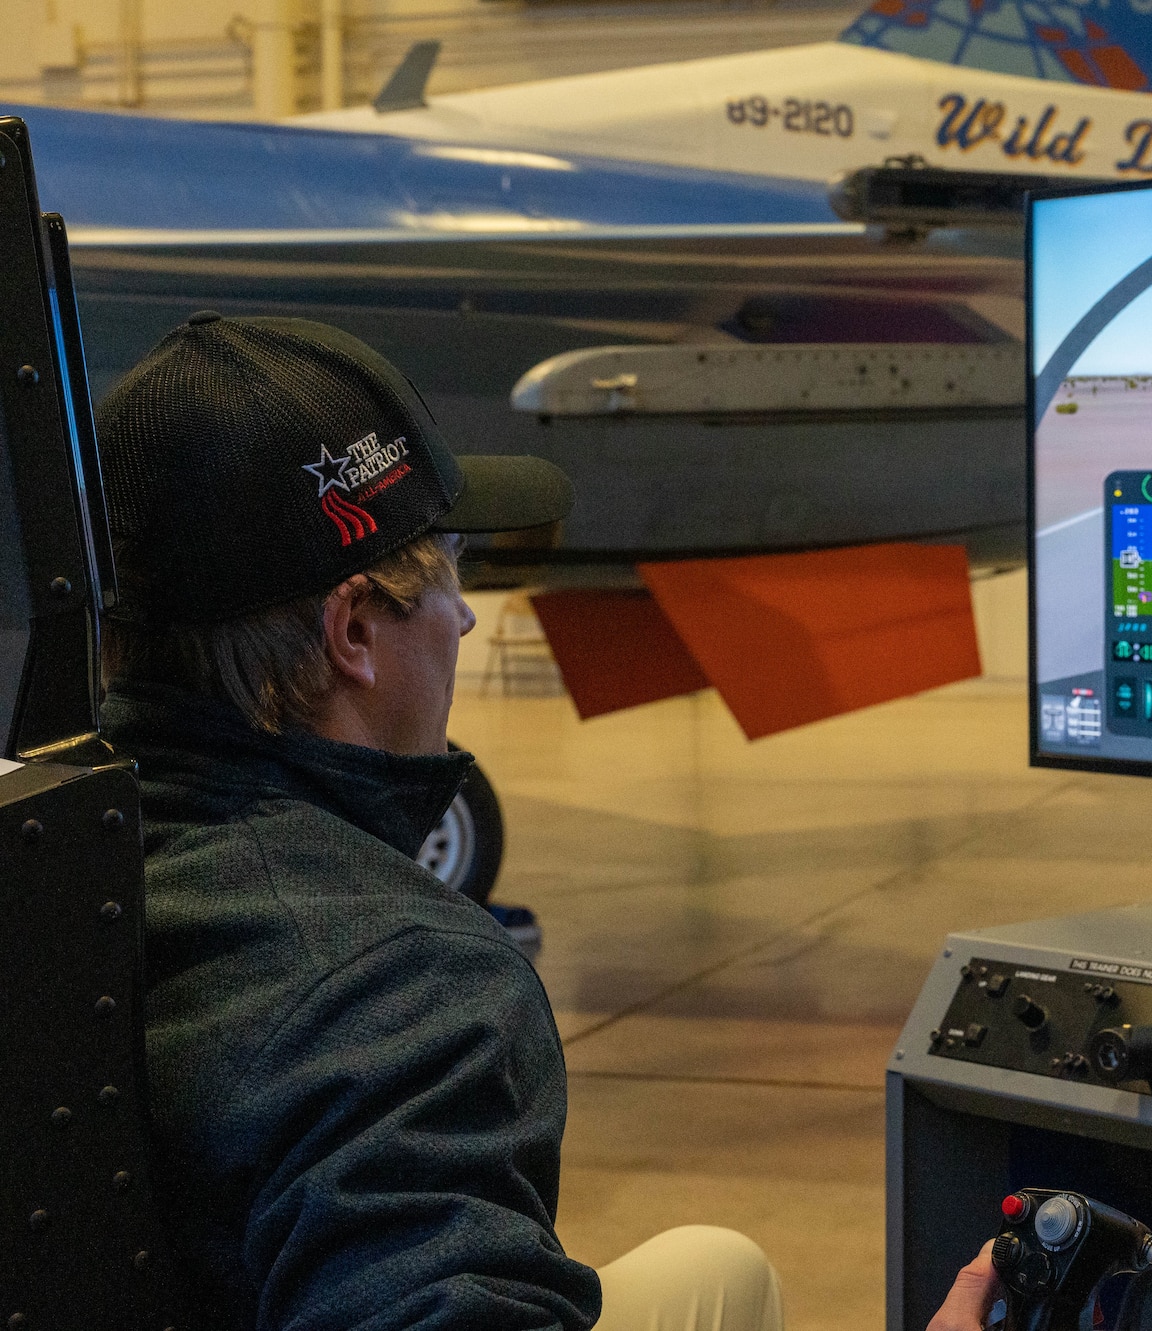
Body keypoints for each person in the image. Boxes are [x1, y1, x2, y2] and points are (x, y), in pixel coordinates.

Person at [96, 311, 802, 1331]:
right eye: (449, 569)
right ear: (354, 631)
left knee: (709, 1269)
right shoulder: (401, 985)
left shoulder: (63, 850)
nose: (465, 618)